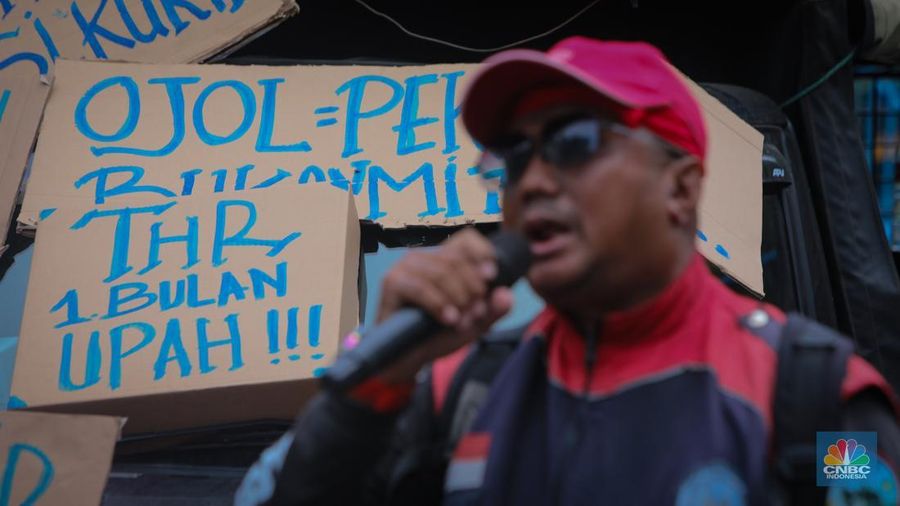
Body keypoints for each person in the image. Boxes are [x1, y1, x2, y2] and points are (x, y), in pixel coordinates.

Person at [236, 36, 900, 505]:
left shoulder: (811, 400)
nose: (533, 182)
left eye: (575, 143)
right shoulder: (453, 395)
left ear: (681, 189)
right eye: (515, 157)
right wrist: (372, 384)